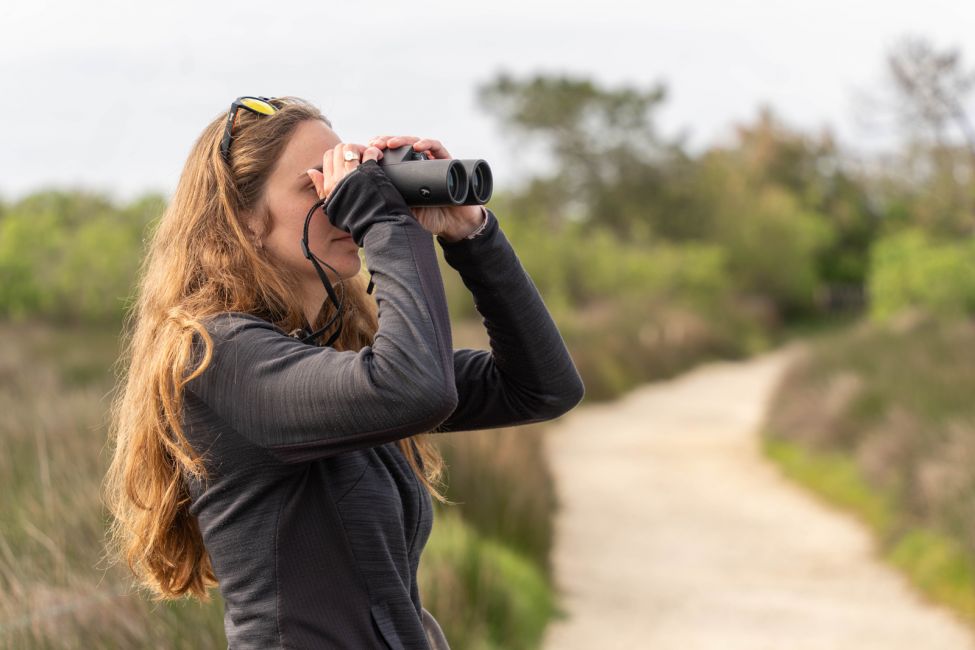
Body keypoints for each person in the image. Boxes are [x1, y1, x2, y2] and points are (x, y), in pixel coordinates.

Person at [103, 95, 585, 649]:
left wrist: (470, 234)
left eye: (346, 182)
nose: (341, 205)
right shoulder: (217, 356)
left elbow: (541, 388)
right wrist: (382, 217)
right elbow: (414, 388)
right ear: (243, 220)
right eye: (318, 187)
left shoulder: (324, 354)